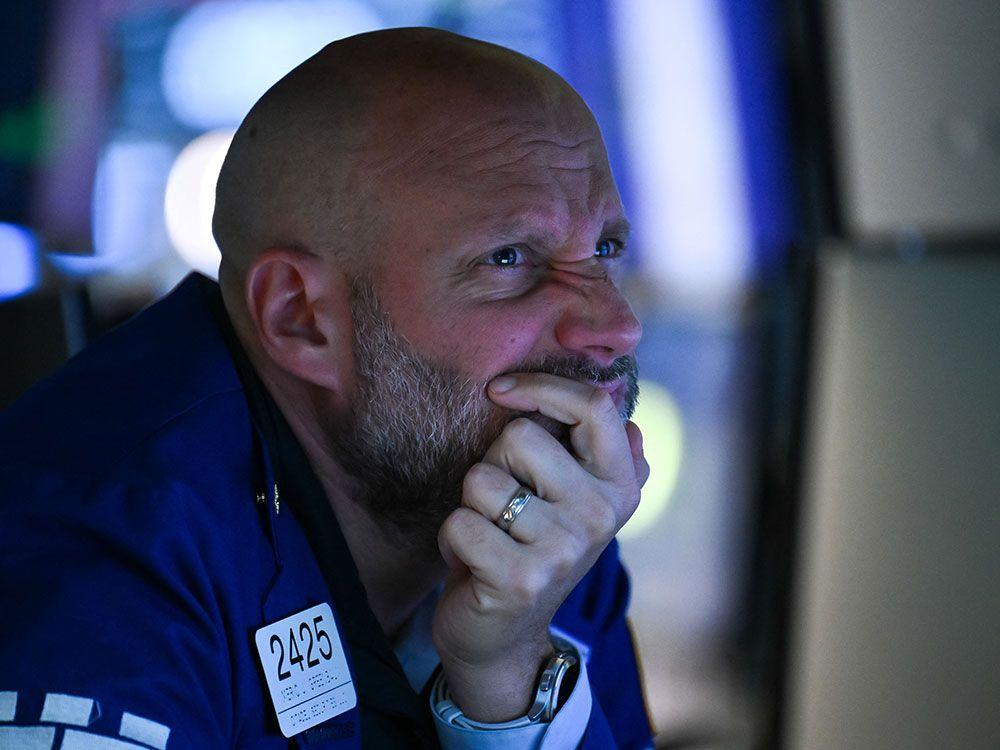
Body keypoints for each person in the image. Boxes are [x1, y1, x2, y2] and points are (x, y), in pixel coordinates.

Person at [0, 28, 653, 749]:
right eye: (508, 258)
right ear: (300, 316)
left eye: (605, 250)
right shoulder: (102, 551)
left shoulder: (539, 507)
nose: (615, 326)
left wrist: (509, 680)